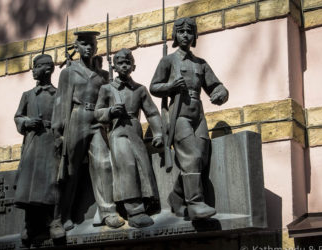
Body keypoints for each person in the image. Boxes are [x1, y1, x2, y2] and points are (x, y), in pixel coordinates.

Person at [150, 17, 229, 220]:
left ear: (195, 36)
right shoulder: (168, 61)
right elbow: (154, 87)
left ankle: (177, 198)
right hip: (179, 115)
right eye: (181, 31)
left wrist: (221, 93)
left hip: (198, 114)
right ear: (175, 35)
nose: (185, 35)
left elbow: (215, 85)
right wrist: (170, 87)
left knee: (199, 161)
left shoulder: (200, 64)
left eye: (189, 31)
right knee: (191, 158)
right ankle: (195, 204)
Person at [51, 31, 124, 230]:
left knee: (103, 163)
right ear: (76, 47)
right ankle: (60, 217)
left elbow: (110, 97)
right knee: (69, 169)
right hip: (77, 117)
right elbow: (61, 101)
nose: (89, 47)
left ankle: (108, 212)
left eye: (92, 44)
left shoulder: (103, 75)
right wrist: (58, 130)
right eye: (84, 44)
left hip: (97, 119)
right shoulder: (68, 71)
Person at [95, 48, 163, 228]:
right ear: (114, 67)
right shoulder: (107, 89)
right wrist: (110, 111)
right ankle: (134, 210)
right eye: (120, 63)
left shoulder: (140, 89)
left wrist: (157, 132)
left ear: (134, 66)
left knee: (142, 166)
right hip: (117, 131)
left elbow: (152, 113)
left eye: (127, 62)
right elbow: (97, 113)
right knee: (127, 166)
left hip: (135, 130)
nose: (124, 66)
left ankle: (147, 202)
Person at [14, 54, 65, 244]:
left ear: (48, 69)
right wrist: (27, 122)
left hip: (52, 141)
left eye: (36, 67)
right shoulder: (27, 95)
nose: (33, 71)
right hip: (33, 142)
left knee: (52, 181)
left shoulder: (59, 94)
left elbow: (65, 117)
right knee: (29, 183)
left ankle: (54, 221)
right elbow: (18, 117)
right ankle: (30, 223)